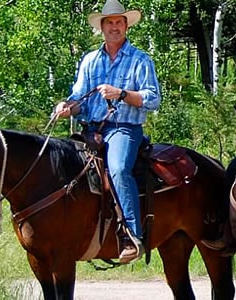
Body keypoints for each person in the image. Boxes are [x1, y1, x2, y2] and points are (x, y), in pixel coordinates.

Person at [52, 0, 159, 264]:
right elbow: (79, 98)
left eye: (119, 22)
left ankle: (133, 235)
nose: (114, 27)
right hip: (90, 130)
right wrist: (67, 107)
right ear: (102, 27)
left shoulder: (140, 60)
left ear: (126, 26)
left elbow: (153, 98)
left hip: (124, 129)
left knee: (119, 169)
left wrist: (121, 94)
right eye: (109, 22)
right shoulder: (90, 60)